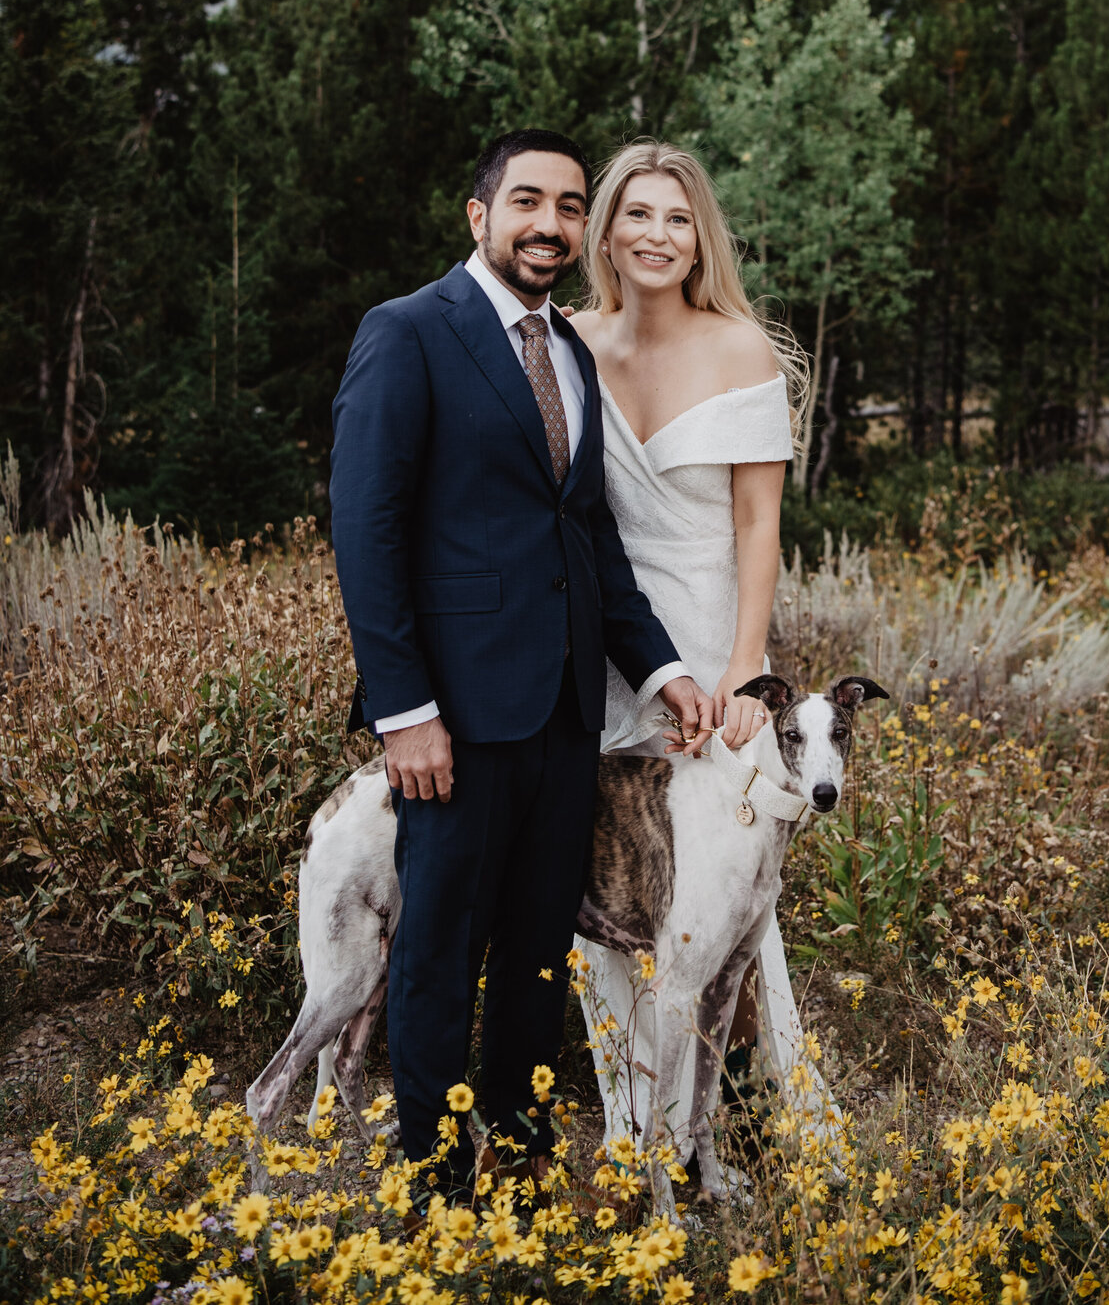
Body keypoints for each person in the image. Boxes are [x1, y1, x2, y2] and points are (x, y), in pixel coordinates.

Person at [329, 128, 713, 1204]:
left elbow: (589, 541)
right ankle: (438, 1186)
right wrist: (404, 710)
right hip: (449, 717)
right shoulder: (407, 333)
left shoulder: (573, 354)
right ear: (479, 214)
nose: (551, 225)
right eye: (528, 202)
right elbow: (368, 531)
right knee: (440, 953)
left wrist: (662, 670)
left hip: (561, 715)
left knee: (541, 957)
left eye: (569, 207)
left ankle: (525, 1170)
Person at [569, 139, 840, 1159]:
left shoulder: (739, 350)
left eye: (677, 218)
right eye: (637, 213)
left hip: (711, 643)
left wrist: (745, 666)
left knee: (721, 892)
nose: (656, 234)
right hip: (598, 647)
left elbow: (759, 525)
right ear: (606, 229)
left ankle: (728, 1124)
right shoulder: (569, 341)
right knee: (602, 893)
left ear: (699, 237)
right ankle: (625, 1121)